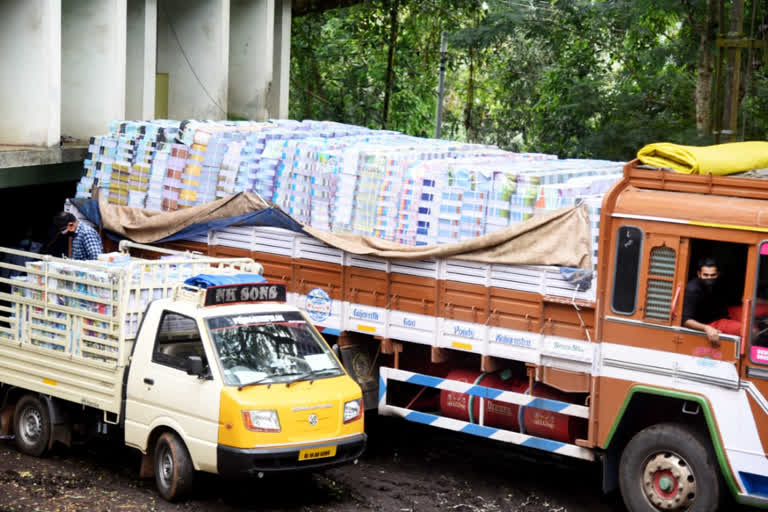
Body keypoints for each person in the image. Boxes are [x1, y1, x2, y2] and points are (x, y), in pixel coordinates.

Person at [682, 257, 738, 345]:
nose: (709, 278)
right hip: (708, 322)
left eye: (712, 275)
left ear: (718, 274)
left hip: (722, 314)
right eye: (706, 275)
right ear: (699, 274)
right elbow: (685, 320)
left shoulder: (720, 283)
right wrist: (706, 328)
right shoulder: (692, 290)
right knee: (748, 330)